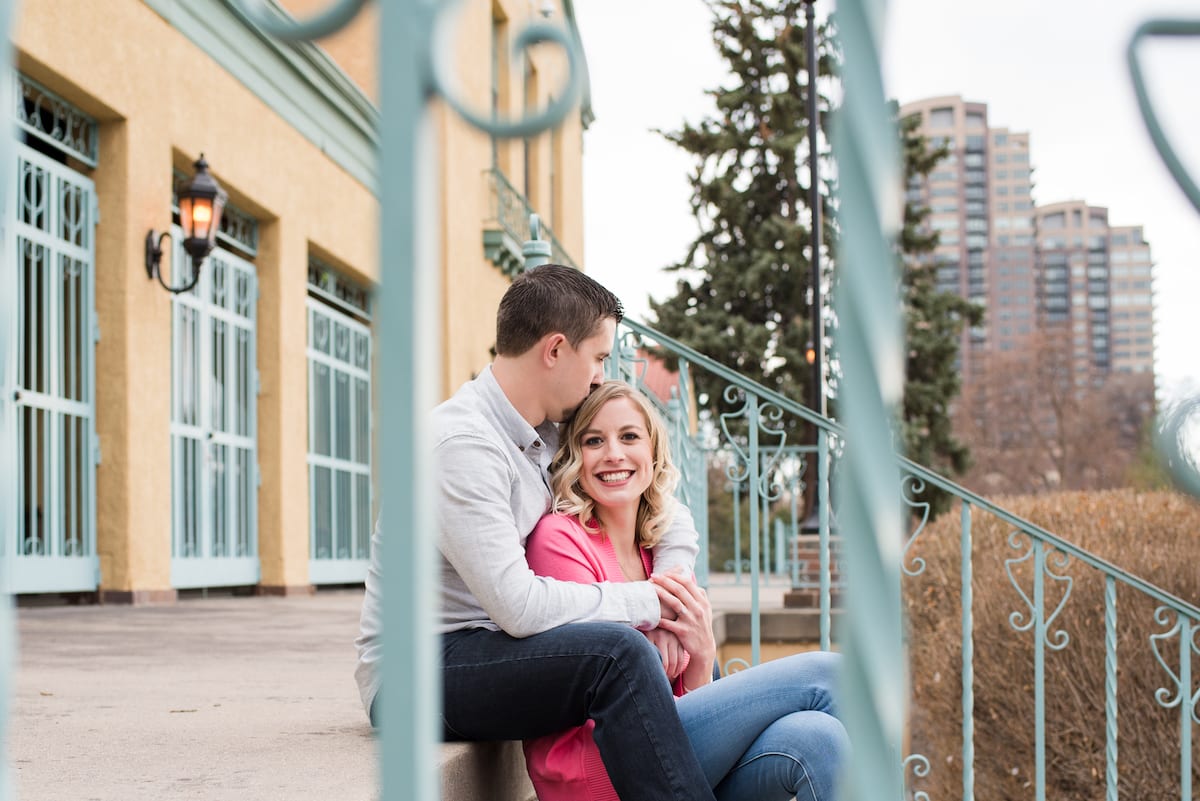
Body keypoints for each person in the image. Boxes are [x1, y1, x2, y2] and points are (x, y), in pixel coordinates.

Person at [354, 265, 720, 801]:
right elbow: (519, 607)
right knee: (619, 655)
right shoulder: (460, 445)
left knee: (646, 651)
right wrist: (649, 603)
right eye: (598, 357)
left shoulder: (546, 430)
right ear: (555, 350)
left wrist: (669, 593)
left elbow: (667, 505)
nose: (600, 376)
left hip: (488, 646)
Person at [523, 381, 847, 801]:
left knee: (818, 738)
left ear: (654, 452)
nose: (613, 454)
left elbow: (685, 701)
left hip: (668, 755)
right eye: (594, 441)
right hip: (598, 765)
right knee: (830, 675)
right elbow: (604, 686)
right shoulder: (559, 539)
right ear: (574, 457)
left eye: (629, 436)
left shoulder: (659, 552)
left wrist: (703, 658)